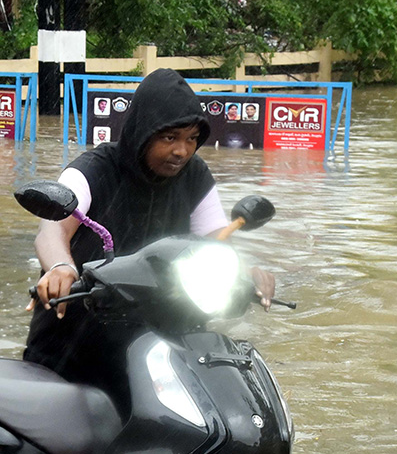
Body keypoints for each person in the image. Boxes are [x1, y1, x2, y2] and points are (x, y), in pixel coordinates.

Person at [24, 68, 274, 406]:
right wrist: (60, 267)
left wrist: (244, 274)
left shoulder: (195, 176)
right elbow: (53, 228)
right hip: (75, 340)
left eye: (190, 139)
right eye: (169, 138)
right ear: (142, 132)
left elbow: (216, 241)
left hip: (161, 345)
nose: (181, 151)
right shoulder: (93, 168)